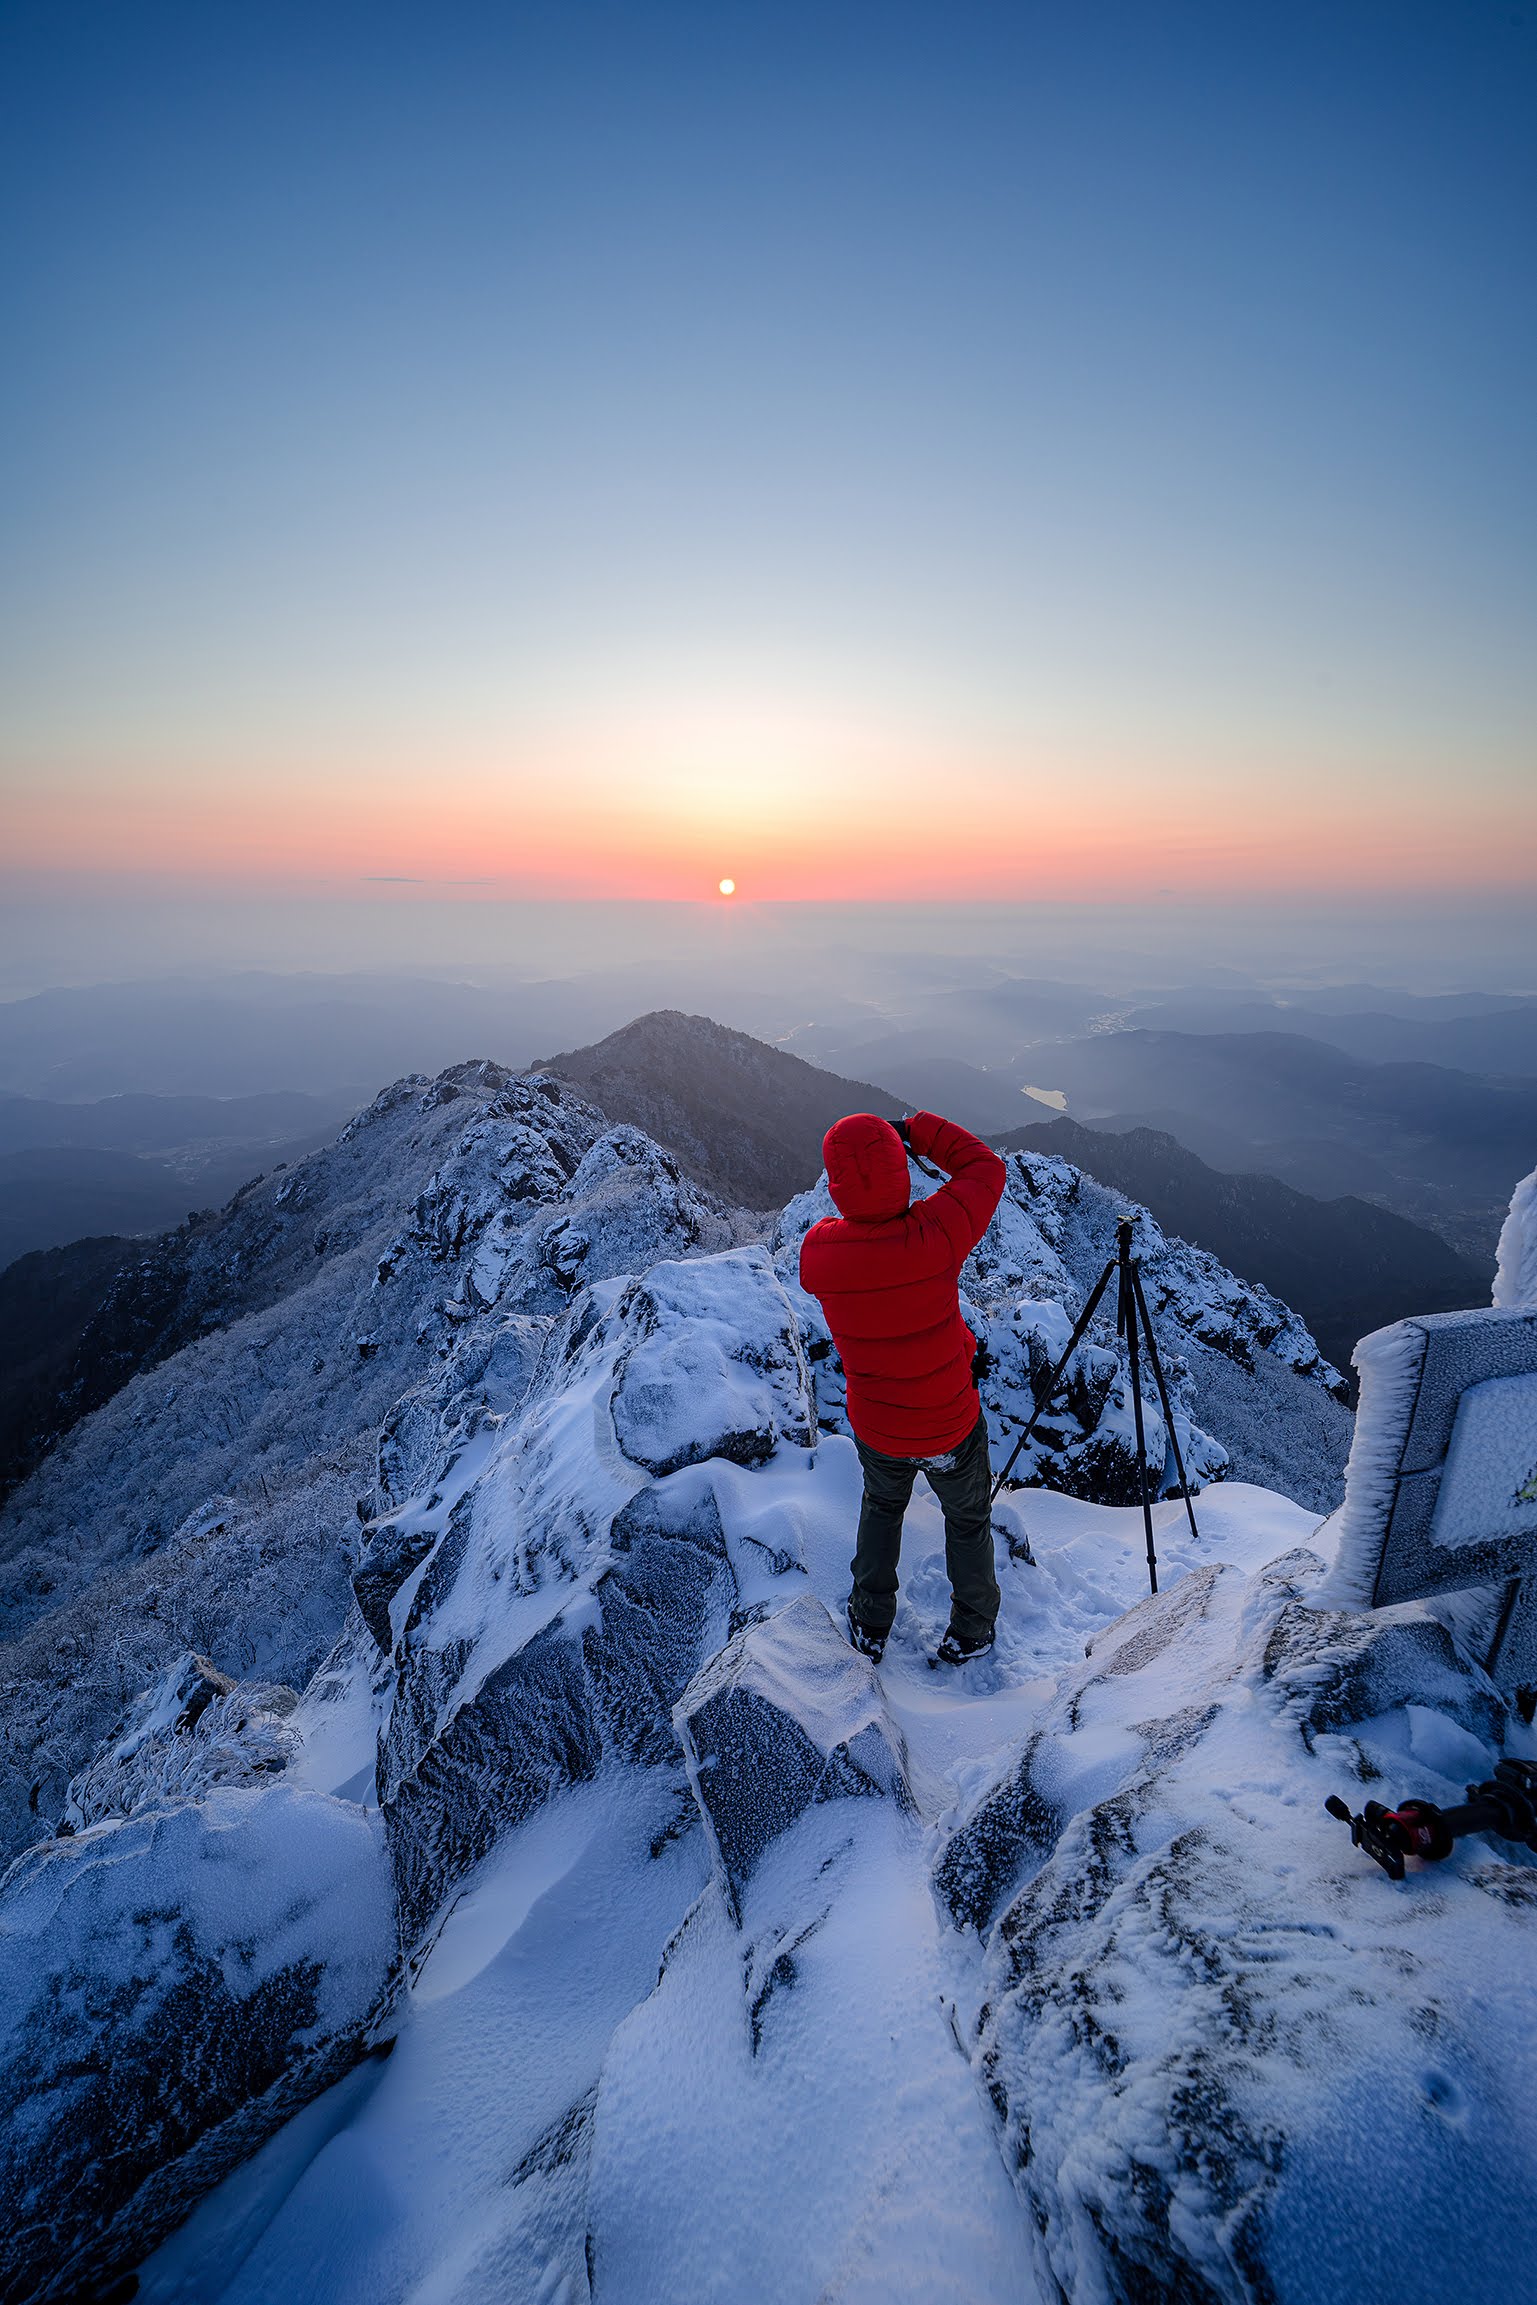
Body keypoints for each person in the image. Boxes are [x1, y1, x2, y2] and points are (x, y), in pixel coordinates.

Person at [799, 1109, 1007, 1665]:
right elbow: (984, 1168)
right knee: (966, 1521)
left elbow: (835, 1235)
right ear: (901, 1170)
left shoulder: (820, 1255)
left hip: (879, 1426)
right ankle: (972, 1627)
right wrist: (914, 1129)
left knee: (882, 1509)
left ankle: (869, 1621)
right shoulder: (936, 1234)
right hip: (949, 1422)